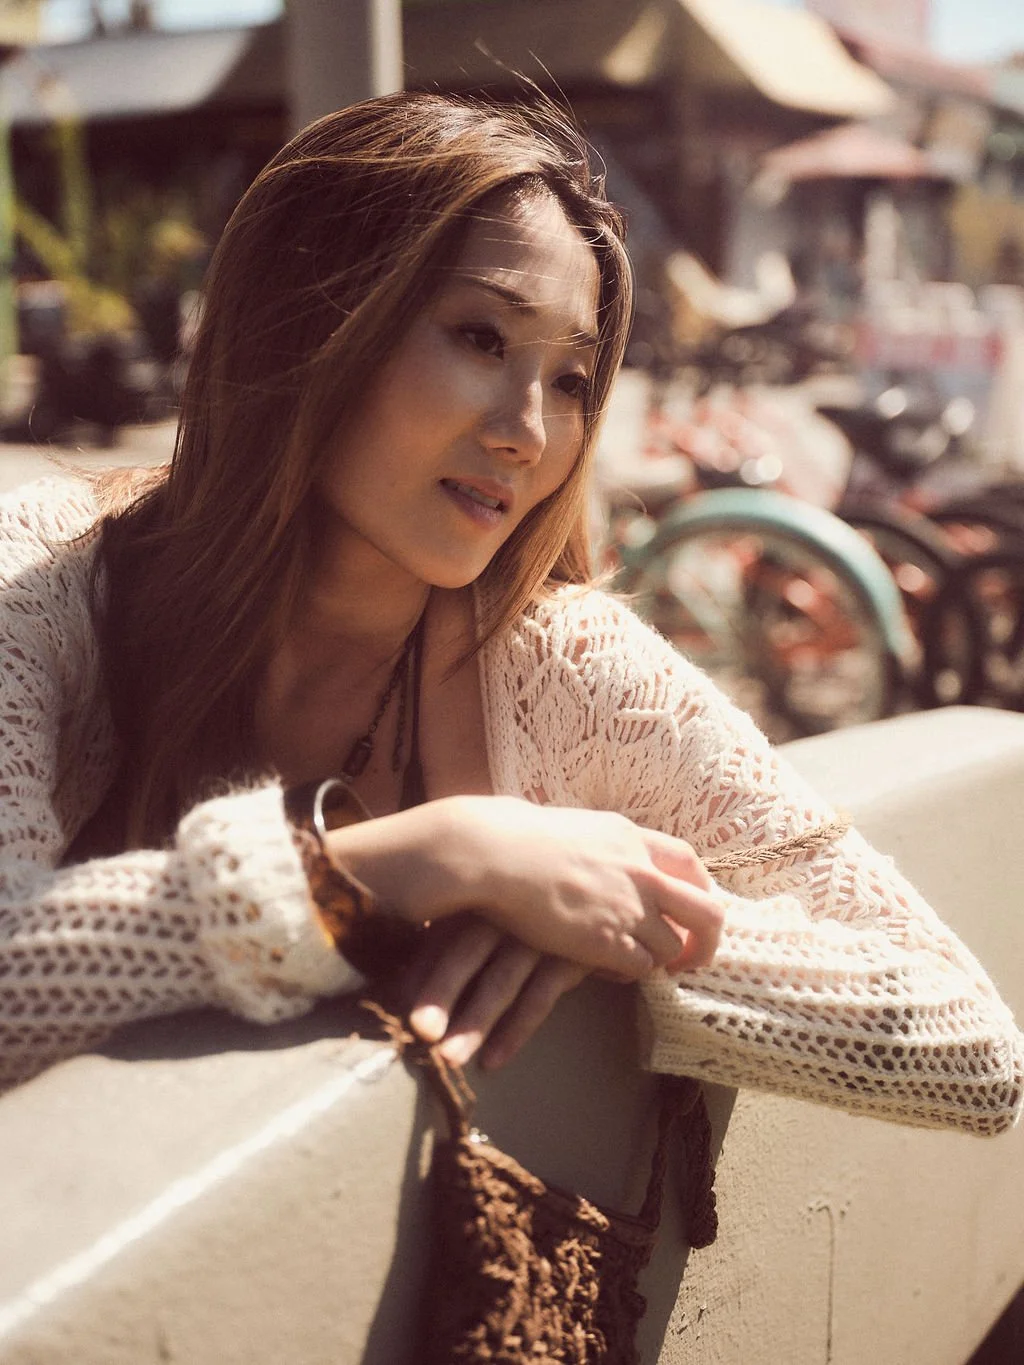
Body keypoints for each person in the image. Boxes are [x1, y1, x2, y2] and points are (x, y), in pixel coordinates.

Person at [0, 93, 1021, 1139]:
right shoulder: (40, 578)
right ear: (307, 324)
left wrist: (617, 938)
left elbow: (970, 1043)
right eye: (481, 338)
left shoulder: (565, 668)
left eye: (572, 379)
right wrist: (425, 860)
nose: (530, 433)